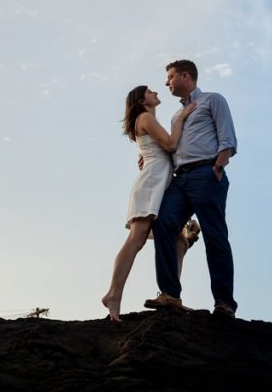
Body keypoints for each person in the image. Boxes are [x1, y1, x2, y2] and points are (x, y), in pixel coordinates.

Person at [144, 59, 239, 317]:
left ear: (185, 76)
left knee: (214, 235)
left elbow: (227, 137)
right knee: (162, 223)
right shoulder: (177, 115)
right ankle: (170, 294)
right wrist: (147, 154)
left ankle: (224, 302)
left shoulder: (213, 100)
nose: (166, 83)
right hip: (180, 178)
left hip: (206, 173)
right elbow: (171, 146)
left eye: (170, 77)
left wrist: (218, 167)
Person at [102, 85, 198, 321]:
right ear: (142, 100)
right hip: (150, 184)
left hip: (160, 182)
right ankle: (113, 295)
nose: (156, 92)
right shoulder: (144, 117)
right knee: (137, 239)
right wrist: (181, 119)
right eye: (150, 91)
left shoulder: (146, 118)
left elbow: (161, 150)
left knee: (179, 242)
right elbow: (170, 145)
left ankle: (171, 296)